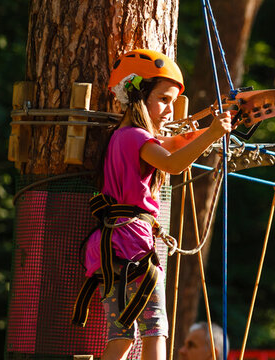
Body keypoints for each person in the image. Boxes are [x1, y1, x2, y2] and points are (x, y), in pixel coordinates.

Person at [72, 49, 232, 360]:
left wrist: (216, 129)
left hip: (112, 246)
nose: (170, 109)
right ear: (137, 95)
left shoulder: (123, 137)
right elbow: (173, 163)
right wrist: (213, 132)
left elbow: (174, 147)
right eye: (163, 99)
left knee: (121, 339)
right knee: (156, 331)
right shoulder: (137, 138)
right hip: (131, 246)